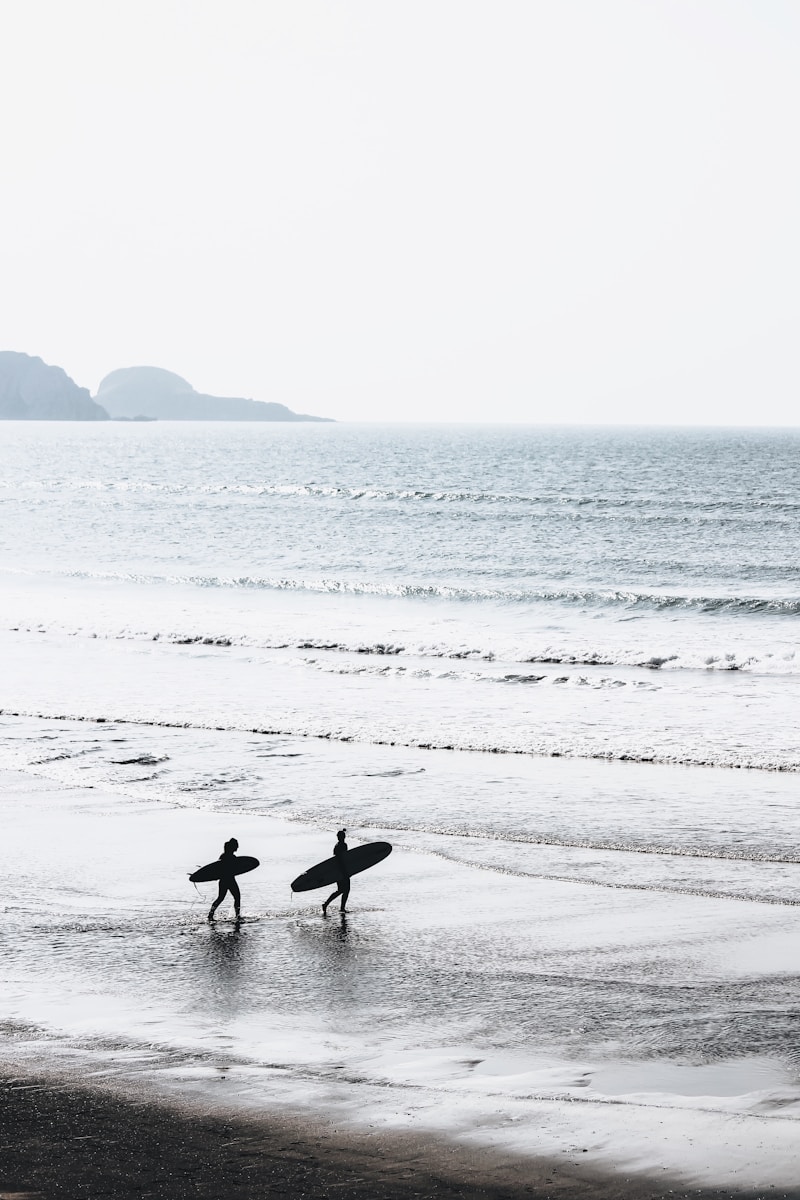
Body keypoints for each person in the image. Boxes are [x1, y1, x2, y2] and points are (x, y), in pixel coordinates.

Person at [208, 837, 241, 922]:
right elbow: (218, 868)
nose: (237, 847)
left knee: (222, 898)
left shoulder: (225, 856)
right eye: (236, 846)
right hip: (228, 880)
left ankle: (211, 914)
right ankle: (237, 916)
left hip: (225, 880)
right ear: (233, 846)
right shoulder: (226, 856)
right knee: (235, 897)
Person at [322, 829, 350, 915]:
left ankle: (328, 904)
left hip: (338, 871)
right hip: (342, 871)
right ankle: (339, 907)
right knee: (345, 889)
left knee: (342, 890)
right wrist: (346, 871)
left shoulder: (337, 846)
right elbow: (341, 860)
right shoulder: (342, 846)